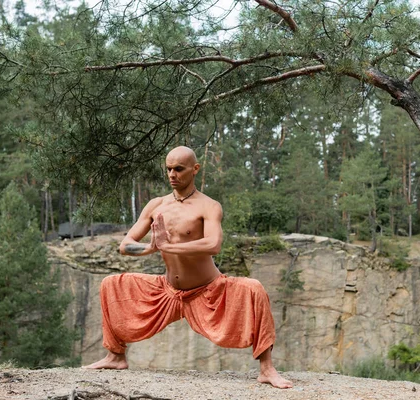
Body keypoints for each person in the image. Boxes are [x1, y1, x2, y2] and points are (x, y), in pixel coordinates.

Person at [83, 146, 292, 389]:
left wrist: (167, 247)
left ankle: (266, 369)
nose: (172, 174)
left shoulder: (208, 206)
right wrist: (150, 249)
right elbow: (125, 245)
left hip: (208, 291)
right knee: (111, 284)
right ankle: (115, 357)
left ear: (195, 169)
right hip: (167, 291)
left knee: (254, 289)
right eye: (169, 169)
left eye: (179, 169)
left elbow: (213, 244)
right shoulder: (156, 205)